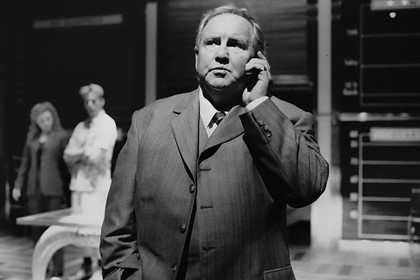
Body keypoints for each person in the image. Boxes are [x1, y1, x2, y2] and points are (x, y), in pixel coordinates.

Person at [100, 4, 329, 280]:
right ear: (197, 55)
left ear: (256, 59)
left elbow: (308, 187)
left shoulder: (288, 118)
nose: (221, 54)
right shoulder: (147, 121)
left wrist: (258, 104)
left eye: (235, 45)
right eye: (212, 43)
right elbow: (118, 231)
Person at [64, 83, 117, 280]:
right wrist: (82, 151)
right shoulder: (80, 126)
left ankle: (99, 268)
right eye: (86, 101)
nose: (90, 105)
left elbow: (95, 157)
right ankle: (85, 265)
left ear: (102, 101)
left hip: (97, 186)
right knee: (80, 229)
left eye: (94, 101)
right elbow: (67, 155)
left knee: (96, 228)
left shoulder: (107, 123)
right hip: (78, 184)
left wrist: (79, 152)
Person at [13, 101, 70, 279]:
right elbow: (24, 164)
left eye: (48, 118)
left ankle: (58, 269)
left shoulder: (61, 136)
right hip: (33, 189)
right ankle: (40, 267)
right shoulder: (32, 138)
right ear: (36, 122)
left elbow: (69, 160)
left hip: (52, 188)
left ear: (53, 117)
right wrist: (17, 185)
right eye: (42, 120)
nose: (46, 122)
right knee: (36, 231)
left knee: (54, 230)